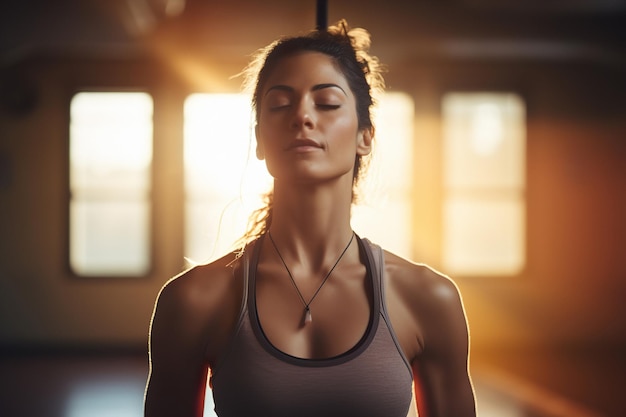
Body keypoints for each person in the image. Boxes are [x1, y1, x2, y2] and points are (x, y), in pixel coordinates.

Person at [144, 20, 476, 417]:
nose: (301, 115)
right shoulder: (194, 300)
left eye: (327, 103)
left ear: (364, 137)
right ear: (260, 141)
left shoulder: (427, 299)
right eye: (280, 104)